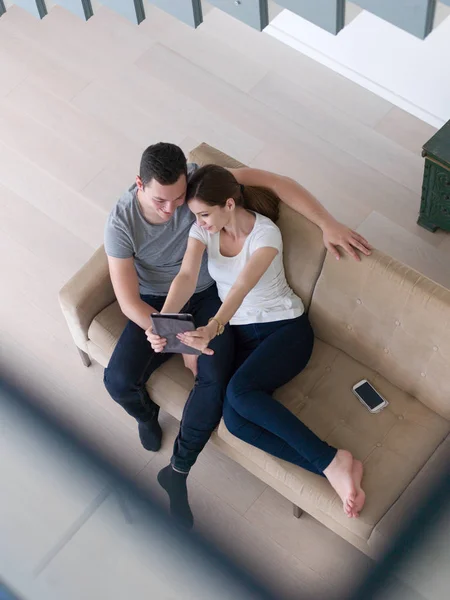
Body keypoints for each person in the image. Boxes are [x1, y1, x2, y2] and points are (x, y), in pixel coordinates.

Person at [104, 142, 370, 529]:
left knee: (229, 390)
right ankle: (329, 464)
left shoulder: (225, 205)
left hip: (261, 319)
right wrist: (168, 329)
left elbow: (243, 283)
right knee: (230, 417)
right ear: (139, 184)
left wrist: (327, 222)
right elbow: (170, 282)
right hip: (176, 308)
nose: (175, 211)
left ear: (224, 202)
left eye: (183, 201)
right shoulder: (149, 223)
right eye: (164, 200)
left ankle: (179, 470)